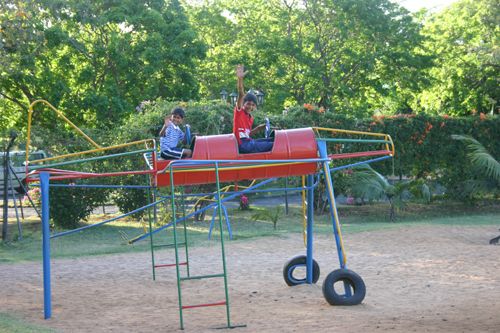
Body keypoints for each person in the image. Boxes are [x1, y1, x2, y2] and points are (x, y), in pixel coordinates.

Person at [233, 64, 274, 154]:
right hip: (243, 145)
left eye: (252, 105)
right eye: (248, 104)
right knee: (274, 145)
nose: (250, 107)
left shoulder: (250, 118)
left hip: (248, 142)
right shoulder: (239, 112)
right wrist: (240, 79)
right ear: (243, 104)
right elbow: (240, 93)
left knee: (273, 140)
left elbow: (247, 134)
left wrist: (259, 128)